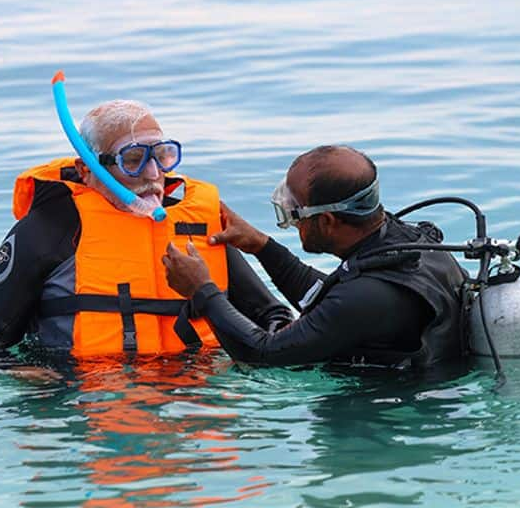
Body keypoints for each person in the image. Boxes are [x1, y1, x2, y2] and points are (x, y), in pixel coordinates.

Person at [0, 100, 292, 359]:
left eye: (162, 156)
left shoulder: (196, 226)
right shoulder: (48, 230)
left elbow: (274, 316)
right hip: (83, 403)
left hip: (193, 400)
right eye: (132, 159)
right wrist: (32, 382)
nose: (153, 174)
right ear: (86, 168)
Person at [163, 145, 466, 369]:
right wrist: (261, 246)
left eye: (293, 213)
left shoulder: (365, 296)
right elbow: (329, 301)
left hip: (390, 420)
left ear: (327, 221)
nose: (292, 223)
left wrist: (201, 291)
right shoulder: (412, 245)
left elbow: (264, 354)